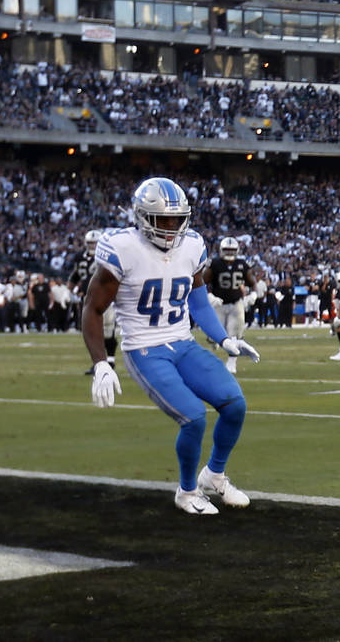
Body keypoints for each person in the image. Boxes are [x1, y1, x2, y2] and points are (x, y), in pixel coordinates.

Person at [82, 177, 261, 515]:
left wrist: (225, 339)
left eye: (177, 219)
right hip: (144, 348)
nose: (171, 227)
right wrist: (102, 362)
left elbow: (197, 300)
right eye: (162, 220)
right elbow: (92, 308)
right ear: (141, 217)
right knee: (193, 417)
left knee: (235, 403)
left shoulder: (192, 245)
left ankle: (214, 475)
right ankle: (187, 491)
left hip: (183, 342)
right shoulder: (122, 248)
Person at [202, 236, 257, 374]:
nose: (229, 253)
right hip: (218, 303)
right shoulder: (215, 264)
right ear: (221, 250)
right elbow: (202, 282)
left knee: (234, 334)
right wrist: (209, 296)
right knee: (215, 334)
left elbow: (252, 282)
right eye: (227, 250)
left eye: (232, 250)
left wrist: (253, 294)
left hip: (236, 302)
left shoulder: (242, 264)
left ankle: (232, 362)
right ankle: (214, 346)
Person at [71, 230, 118, 372]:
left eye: (95, 243)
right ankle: (100, 362)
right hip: (88, 297)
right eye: (90, 243)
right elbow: (76, 275)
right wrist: (73, 288)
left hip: (105, 296)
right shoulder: (79, 257)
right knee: (92, 330)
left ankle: (109, 360)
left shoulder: (107, 255)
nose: (92, 246)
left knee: (108, 329)